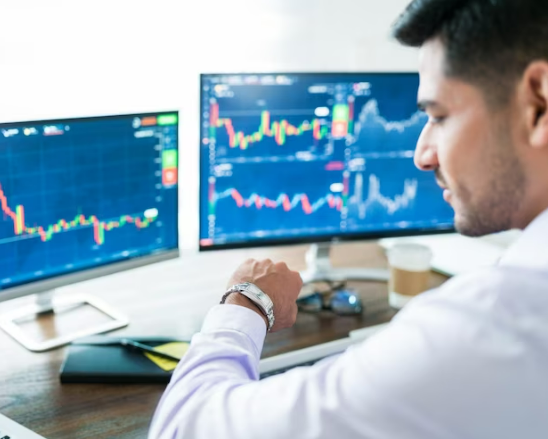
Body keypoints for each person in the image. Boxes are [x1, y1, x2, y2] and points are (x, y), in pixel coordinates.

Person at [149, 0, 548, 437]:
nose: (421, 155)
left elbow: (184, 428)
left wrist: (246, 301)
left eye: (438, 116)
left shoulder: (490, 327)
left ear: (539, 104)